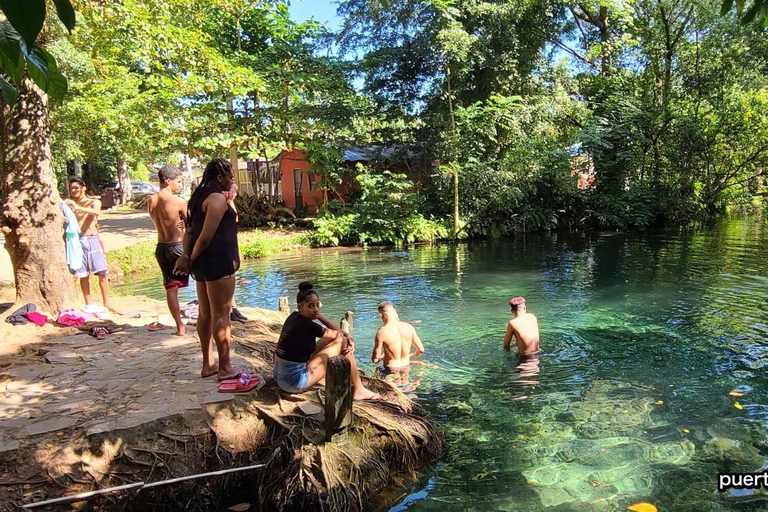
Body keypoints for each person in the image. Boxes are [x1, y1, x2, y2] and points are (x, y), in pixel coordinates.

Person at [174, 158, 240, 379]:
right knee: (222, 313)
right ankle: (224, 368)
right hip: (217, 262)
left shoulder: (197, 198)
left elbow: (190, 232)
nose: (232, 181)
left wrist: (188, 257)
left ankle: (208, 364)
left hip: (202, 265)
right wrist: (188, 258)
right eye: (230, 177)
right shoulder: (216, 200)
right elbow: (205, 237)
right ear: (219, 177)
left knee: (205, 312)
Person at [274, 282, 380, 401]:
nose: (315, 309)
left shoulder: (294, 316)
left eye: (317, 305)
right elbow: (339, 335)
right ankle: (359, 390)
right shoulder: (309, 326)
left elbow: (332, 334)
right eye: (310, 306)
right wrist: (348, 336)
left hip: (280, 377)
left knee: (338, 339)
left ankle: (356, 384)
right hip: (294, 382)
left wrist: (317, 315)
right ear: (300, 307)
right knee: (343, 342)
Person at [148, 164, 188, 336]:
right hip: (177, 246)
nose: (179, 186)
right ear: (167, 181)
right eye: (178, 182)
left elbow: (157, 221)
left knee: (171, 288)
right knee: (203, 279)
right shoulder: (178, 201)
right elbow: (192, 225)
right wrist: (184, 226)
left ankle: (180, 327)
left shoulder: (151, 200)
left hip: (161, 247)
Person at [66, 177, 114, 313]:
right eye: (72, 188)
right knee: (83, 274)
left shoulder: (93, 202)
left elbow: (97, 212)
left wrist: (79, 208)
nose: (74, 190)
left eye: (76, 187)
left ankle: (107, 303)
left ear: (83, 188)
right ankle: (89, 303)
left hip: (93, 240)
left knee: (102, 273)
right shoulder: (69, 205)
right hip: (78, 241)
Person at [371, 301, 425, 377]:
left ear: (381, 315)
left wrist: (382, 356)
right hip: (406, 366)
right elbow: (421, 350)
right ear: (395, 312)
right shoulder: (409, 327)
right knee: (406, 387)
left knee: (390, 386)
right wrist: (410, 355)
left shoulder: (382, 332)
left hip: (390, 369)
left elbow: (375, 359)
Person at [222, 183, 247, 324]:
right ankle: (232, 309)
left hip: (230, 245)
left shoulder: (228, 204)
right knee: (228, 279)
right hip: (226, 247)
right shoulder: (224, 205)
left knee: (231, 278)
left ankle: (234, 308)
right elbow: (232, 225)